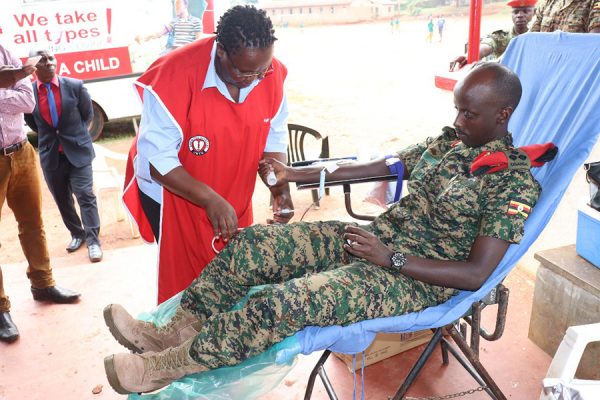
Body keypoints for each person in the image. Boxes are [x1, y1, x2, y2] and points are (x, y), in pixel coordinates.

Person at [103, 63, 553, 394]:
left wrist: (390, 259)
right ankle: (174, 331)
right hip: (376, 244)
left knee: (284, 302)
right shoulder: (451, 143)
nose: (457, 121)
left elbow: (475, 274)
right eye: (457, 110)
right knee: (255, 244)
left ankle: (165, 368)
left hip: (415, 279)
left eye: (469, 114)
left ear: (502, 114)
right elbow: (381, 165)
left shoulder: (511, 183)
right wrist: (294, 175)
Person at [123, 5, 293, 303]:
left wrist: (280, 190)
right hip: (173, 190)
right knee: (187, 284)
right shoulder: (175, 73)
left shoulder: (270, 72)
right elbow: (158, 161)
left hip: (231, 184)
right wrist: (211, 199)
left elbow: (274, 139)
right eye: (243, 71)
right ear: (221, 50)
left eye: (261, 70)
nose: (254, 79)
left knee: (233, 273)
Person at [0, 43, 81, 344]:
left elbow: (28, 101)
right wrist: (9, 89)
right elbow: (18, 96)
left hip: (22, 152)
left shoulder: (4, 52)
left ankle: (43, 284)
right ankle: (1, 309)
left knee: (33, 224)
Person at [24, 49, 103, 263]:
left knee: (85, 194)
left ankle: (93, 241)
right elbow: (33, 123)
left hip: (78, 151)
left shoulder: (75, 86)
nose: (49, 63)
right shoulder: (29, 92)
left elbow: (87, 115)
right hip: (51, 155)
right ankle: (77, 234)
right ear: (33, 66)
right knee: (62, 199)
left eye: (51, 58)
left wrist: (73, 135)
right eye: (43, 60)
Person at [450, 0, 536, 71]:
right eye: (516, 12)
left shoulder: (538, 38)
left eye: (525, 11)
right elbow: (486, 46)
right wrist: (467, 56)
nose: (520, 15)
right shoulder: (501, 36)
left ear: (534, 12)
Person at [135, 0, 203, 54]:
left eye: (178, 4)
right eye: (175, 5)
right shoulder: (174, 21)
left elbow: (199, 42)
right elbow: (160, 33)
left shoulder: (196, 21)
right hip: (175, 52)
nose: (176, 7)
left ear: (185, 5)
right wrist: (143, 38)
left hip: (188, 52)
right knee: (163, 56)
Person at [530, 0, 600, 33]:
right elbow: (531, 36)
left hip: (576, 56)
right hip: (545, 56)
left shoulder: (595, 2)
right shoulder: (547, 3)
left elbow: (594, 39)